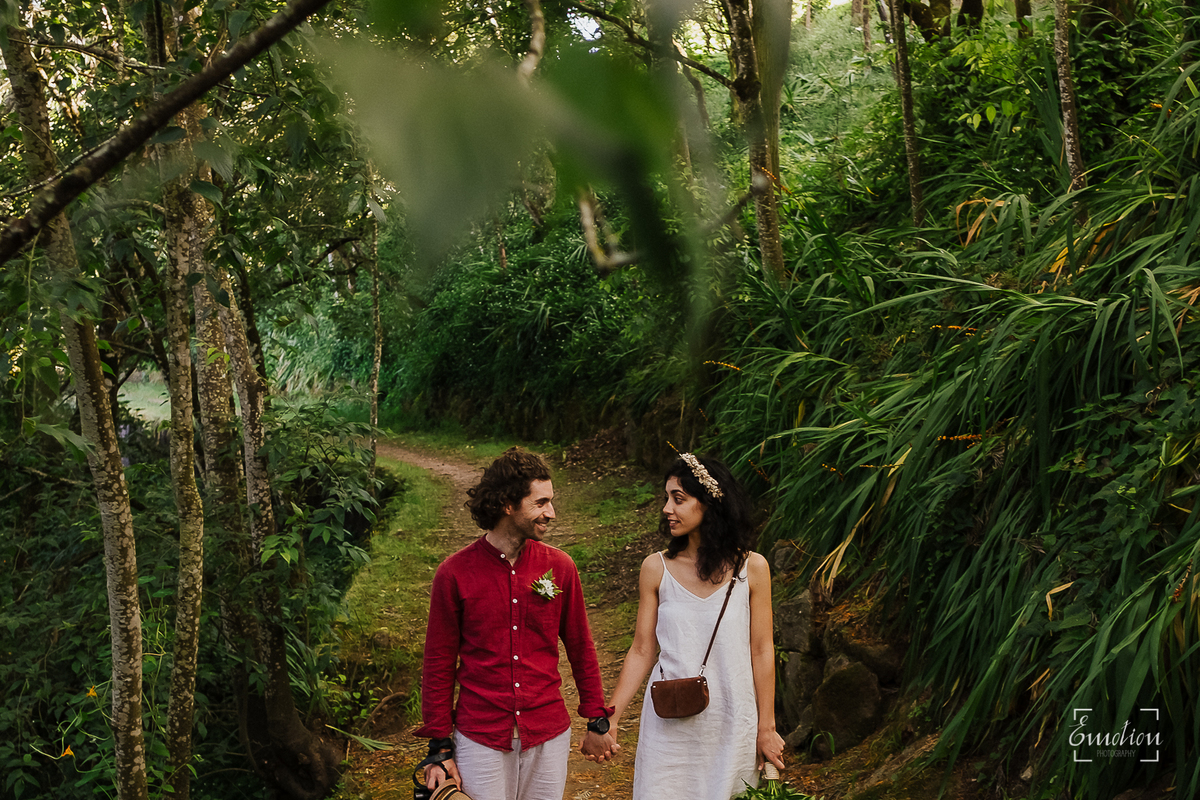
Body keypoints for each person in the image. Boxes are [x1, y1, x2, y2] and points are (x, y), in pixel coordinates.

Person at [415, 446, 618, 800]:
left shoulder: (562, 567)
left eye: (550, 502)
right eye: (540, 503)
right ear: (508, 504)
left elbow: (581, 647)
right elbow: (438, 662)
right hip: (481, 737)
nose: (551, 513)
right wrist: (439, 747)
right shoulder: (454, 573)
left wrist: (597, 718)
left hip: (548, 733)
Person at [606, 453, 785, 800]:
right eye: (666, 498)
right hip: (669, 724)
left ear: (709, 503)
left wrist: (767, 726)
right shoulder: (655, 568)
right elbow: (642, 649)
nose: (667, 509)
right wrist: (610, 717)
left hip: (733, 720)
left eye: (678, 499)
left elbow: (762, 649)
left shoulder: (754, 568)